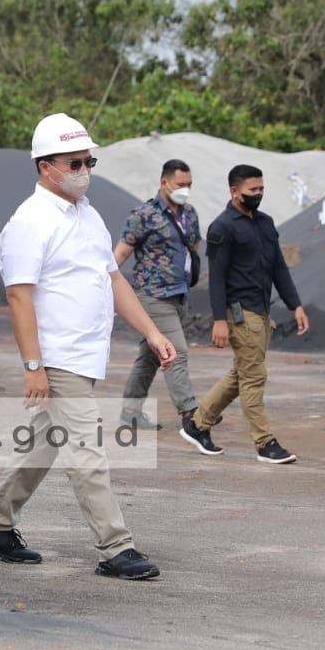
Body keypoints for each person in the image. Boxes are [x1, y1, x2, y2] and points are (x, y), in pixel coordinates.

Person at [0, 113, 176, 580]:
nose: (85, 170)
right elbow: (19, 297)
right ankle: (115, 546)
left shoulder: (89, 215)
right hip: (57, 355)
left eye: (89, 161)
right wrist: (34, 366)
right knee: (87, 453)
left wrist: (151, 332)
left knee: (42, 443)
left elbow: (113, 279)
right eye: (75, 163)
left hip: (86, 354)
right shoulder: (31, 221)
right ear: (46, 167)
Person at [188, 164, 310, 464]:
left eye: (261, 189)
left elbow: (278, 267)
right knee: (254, 376)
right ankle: (265, 443)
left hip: (262, 310)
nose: (258, 194)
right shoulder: (222, 228)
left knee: (242, 372)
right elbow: (216, 277)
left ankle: (198, 425)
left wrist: (295, 304)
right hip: (239, 313)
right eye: (252, 190)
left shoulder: (265, 223)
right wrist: (219, 320)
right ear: (235, 191)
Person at [115, 159, 208, 447]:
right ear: (164, 182)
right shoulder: (143, 215)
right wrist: (106, 286)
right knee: (175, 350)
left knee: (150, 356)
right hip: (152, 294)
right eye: (180, 184)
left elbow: (194, 248)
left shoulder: (189, 214)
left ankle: (130, 412)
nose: (185, 190)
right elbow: (120, 255)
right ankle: (190, 414)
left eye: (189, 185)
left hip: (179, 293)